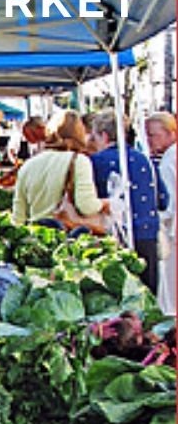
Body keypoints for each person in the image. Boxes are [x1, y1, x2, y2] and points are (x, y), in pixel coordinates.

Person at [89, 109, 168, 295]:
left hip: (114, 234)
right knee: (148, 294)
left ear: (104, 135)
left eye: (95, 137)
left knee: (120, 296)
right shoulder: (145, 160)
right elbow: (163, 199)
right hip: (147, 232)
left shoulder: (94, 162)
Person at [12, 110, 108, 228]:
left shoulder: (27, 165)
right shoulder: (79, 161)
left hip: (36, 238)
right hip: (66, 238)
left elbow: (18, 218)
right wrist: (105, 204)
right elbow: (86, 206)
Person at [146, 111, 177, 315]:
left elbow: (171, 203)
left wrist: (157, 216)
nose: (149, 140)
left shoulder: (169, 160)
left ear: (170, 133)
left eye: (153, 135)